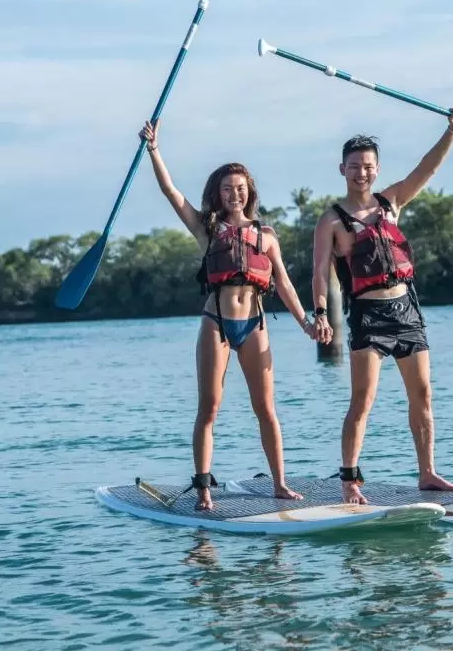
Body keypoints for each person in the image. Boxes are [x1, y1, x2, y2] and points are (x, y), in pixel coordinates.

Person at [140, 119, 333, 511]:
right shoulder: (206, 228)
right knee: (209, 406)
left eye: (240, 189)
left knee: (266, 409)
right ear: (217, 193)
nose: (234, 194)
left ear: (249, 193)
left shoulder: (266, 235)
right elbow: (170, 192)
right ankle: (204, 490)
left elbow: (284, 284)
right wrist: (154, 151)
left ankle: (280, 483)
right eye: (227, 189)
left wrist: (308, 323)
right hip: (217, 325)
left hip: (256, 325)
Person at [310, 109, 453, 504]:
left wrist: (451, 133)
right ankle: (350, 479)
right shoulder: (331, 221)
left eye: (367, 166)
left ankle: (428, 473)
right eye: (354, 167)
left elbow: (426, 171)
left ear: (377, 169)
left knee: (423, 395)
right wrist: (319, 313)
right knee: (362, 401)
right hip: (368, 316)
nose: (361, 173)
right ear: (342, 169)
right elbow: (318, 273)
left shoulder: (392, 201)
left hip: (407, 312)